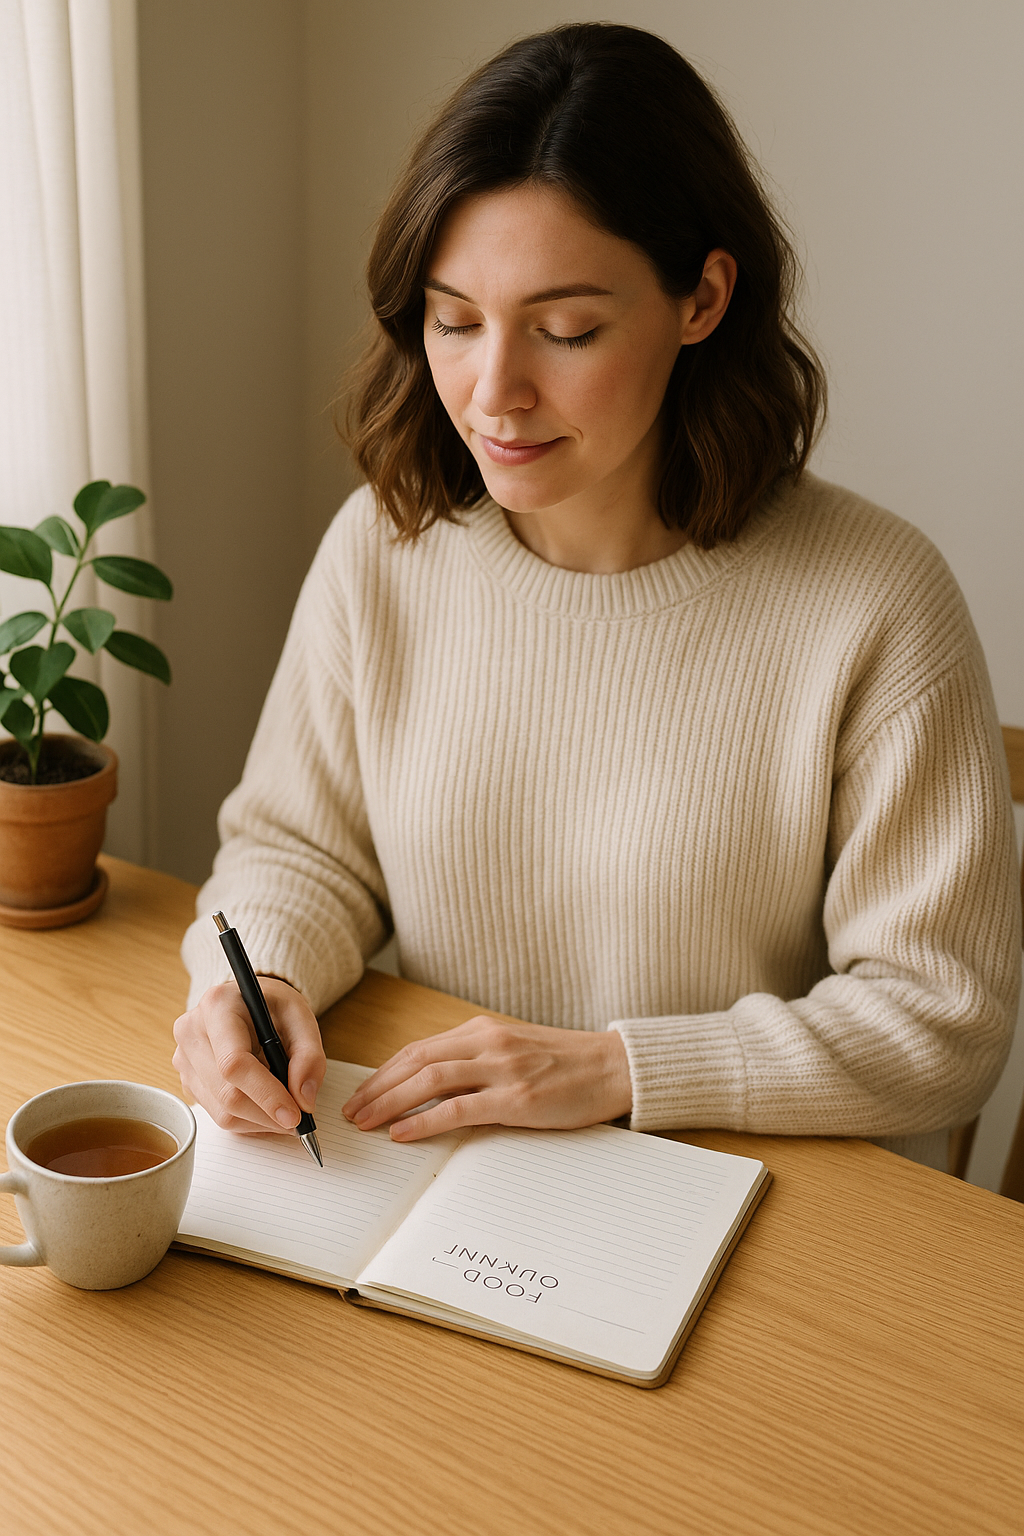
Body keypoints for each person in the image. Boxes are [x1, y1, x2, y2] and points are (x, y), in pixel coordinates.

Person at [173, 22, 1020, 1171]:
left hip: (744, 1203)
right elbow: (299, 849)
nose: (493, 393)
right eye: (454, 320)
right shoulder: (388, 546)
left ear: (703, 298)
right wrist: (260, 977)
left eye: (567, 329)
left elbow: (941, 1020)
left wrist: (616, 1068)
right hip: (430, 1171)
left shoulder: (874, 603)